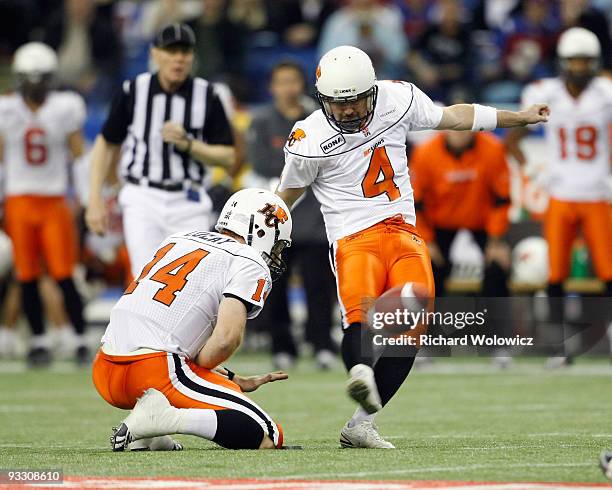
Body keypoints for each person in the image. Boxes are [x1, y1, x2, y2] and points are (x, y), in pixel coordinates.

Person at [276, 45, 548, 448]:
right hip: (354, 238)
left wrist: (517, 118)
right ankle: (360, 372)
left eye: (356, 101)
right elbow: (286, 195)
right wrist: (268, 240)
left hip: (404, 232)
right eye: (339, 103)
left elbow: (456, 117)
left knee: (413, 325)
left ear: (372, 90)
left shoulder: (398, 98)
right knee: (361, 316)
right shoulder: (309, 135)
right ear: (323, 99)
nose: (349, 110)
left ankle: (360, 424)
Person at [92, 189, 292, 451]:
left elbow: (164, 325)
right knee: (268, 435)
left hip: (105, 368)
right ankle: (166, 419)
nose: (276, 254)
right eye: (277, 245)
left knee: (191, 378)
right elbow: (224, 340)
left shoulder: (178, 239)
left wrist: (228, 378)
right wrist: (202, 370)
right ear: (262, 231)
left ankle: (151, 435)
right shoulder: (249, 260)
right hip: (153, 370)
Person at [85, 23, 236, 276]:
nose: (178, 58)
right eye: (171, 50)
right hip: (142, 196)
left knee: (193, 279)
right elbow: (106, 143)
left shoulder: (207, 95)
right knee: (145, 276)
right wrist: (94, 200)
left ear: (192, 56)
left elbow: (228, 156)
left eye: (184, 51)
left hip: (189, 199)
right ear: (155, 54)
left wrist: (189, 144)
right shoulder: (133, 91)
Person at [505, 27, 612, 366]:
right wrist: (535, 174)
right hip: (561, 194)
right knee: (556, 274)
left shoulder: (606, 93)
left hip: (597, 193)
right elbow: (513, 139)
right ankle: (560, 344)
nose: (580, 68)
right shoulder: (544, 92)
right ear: (563, 62)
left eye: (586, 62)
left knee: (608, 270)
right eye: (574, 61)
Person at [0, 42, 89, 367]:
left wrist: (85, 197)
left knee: (64, 274)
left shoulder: (64, 107)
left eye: (41, 80)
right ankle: (38, 340)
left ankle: (78, 338)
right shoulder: (7, 110)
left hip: (52, 201)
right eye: (31, 79)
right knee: (25, 275)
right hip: (19, 199)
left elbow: (79, 157)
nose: (36, 87)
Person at [245, 60, 336, 370]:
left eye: (293, 81)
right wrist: (300, 167)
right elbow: (260, 163)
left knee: (319, 285)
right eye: (281, 82)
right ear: (272, 87)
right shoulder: (261, 121)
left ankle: (323, 344)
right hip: (276, 217)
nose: (288, 88)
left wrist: (298, 167)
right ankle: (282, 346)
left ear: (302, 85)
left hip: (313, 215)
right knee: (276, 285)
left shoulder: (318, 119)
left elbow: (325, 161)